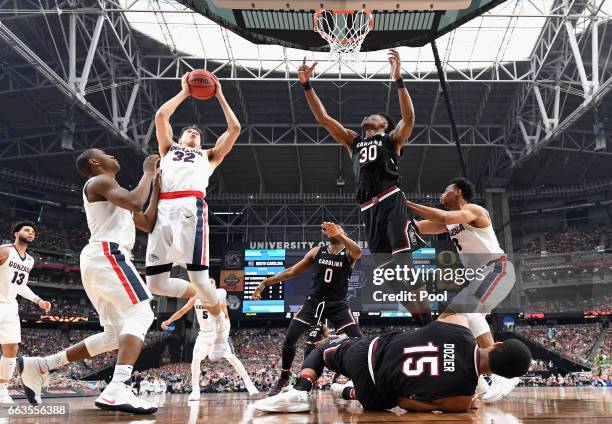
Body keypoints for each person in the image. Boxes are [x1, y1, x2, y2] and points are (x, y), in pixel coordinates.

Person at [19, 151, 161, 414]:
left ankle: (43, 364)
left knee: (114, 336)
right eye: (106, 154)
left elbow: (148, 222)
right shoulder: (99, 182)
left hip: (99, 259)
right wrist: (149, 173)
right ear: (95, 163)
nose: (113, 155)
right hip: (109, 253)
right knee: (141, 312)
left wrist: (156, 188)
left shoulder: (115, 195)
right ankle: (118, 386)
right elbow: (135, 201)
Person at [299, 51, 431, 325]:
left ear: (383, 124)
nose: (366, 117)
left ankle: (428, 321)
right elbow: (324, 119)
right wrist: (306, 86)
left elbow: (409, 119)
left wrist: (398, 79)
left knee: (402, 264)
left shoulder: (392, 139)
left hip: (391, 199)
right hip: (368, 209)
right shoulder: (353, 142)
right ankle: (422, 321)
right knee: (387, 272)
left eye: (373, 115)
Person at [254, 314, 532, 413]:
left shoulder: (458, 329)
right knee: (378, 396)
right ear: (500, 374)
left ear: (495, 345)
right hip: (377, 395)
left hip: (368, 352)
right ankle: (345, 391)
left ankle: (301, 390)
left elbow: (464, 308)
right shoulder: (462, 397)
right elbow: (410, 405)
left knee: (322, 351)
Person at [146, 72, 240, 360]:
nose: (194, 133)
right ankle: (209, 298)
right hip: (162, 210)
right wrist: (185, 91)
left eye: (198, 133)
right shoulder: (168, 149)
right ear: (181, 136)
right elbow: (162, 116)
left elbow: (234, 128)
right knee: (156, 284)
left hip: (191, 209)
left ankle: (222, 328)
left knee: (200, 280)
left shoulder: (208, 156)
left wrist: (219, 94)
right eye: (189, 131)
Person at [407, 177, 520, 402]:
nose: (442, 194)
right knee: (447, 324)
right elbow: (418, 227)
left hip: (497, 268)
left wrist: (405, 203)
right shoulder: (451, 223)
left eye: (446, 189)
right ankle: (479, 387)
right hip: (479, 277)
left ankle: (501, 375)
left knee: (469, 311)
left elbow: (444, 216)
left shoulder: (474, 210)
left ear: (458, 192)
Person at [251, 222, 363, 395]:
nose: (332, 231)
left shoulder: (348, 253)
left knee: (359, 340)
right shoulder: (317, 251)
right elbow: (292, 271)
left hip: (338, 305)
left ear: (343, 233)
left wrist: (339, 234)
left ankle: (361, 378)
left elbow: (358, 252)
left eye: (337, 229)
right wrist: (265, 282)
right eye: (329, 230)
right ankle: (284, 377)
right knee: (290, 338)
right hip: (313, 303)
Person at [161, 278, 258, 400]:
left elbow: (226, 315)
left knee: (232, 357)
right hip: (203, 335)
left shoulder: (219, 296)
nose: (208, 283)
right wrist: (168, 321)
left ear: (215, 286)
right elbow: (182, 311)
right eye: (206, 281)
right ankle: (195, 390)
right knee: (196, 360)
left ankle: (249, 385)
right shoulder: (196, 296)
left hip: (217, 334)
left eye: (212, 282)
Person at [0, 222, 51, 404]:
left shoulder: (29, 260)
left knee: (11, 348)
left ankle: (2, 390)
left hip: (10, 305)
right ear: (16, 233)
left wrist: (38, 300)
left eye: (33, 231)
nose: (30, 233)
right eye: (26, 230)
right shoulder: (5, 251)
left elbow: (20, 286)